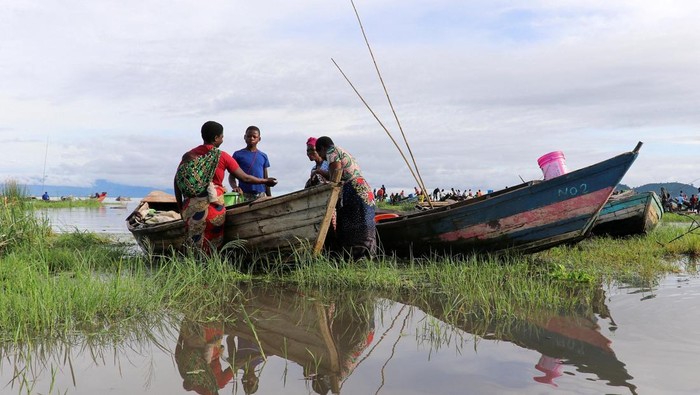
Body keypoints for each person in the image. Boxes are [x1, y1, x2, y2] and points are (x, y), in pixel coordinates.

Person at [174, 121, 277, 254]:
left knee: (193, 242)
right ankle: (212, 266)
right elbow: (244, 177)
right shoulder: (222, 156)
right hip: (213, 206)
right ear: (216, 138)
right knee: (212, 244)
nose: (223, 139)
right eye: (222, 136)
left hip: (191, 207)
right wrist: (265, 181)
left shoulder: (189, 156)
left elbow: (178, 181)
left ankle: (193, 267)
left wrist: (180, 207)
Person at [315, 136, 376, 259]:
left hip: (354, 191)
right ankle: (367, 254)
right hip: (363, 189)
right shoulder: (342, 150)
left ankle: (355, 255)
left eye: (320, 153)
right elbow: (338, 173)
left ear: (322, 148)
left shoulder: (331, 151)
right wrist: (321, 172)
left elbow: (335, 175)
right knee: (365, 222)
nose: (323, 158)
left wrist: (321, 175)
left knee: (352, 222)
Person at [230, 126, 272, 201]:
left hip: (261, 194)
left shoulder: (263, 156)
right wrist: (235, 187)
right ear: (245, 137)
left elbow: (266, 179)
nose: (251, 138)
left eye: (254, 136)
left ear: (259, 139)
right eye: (249, 136)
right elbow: (232, 176)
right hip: (244, 194)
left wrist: (269, 196)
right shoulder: (238, 154)